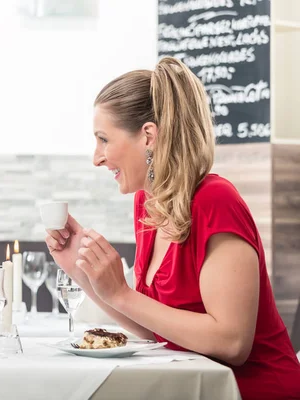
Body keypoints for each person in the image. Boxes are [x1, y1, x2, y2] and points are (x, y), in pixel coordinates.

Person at [45, 56, 300, 399]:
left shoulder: (215, 201)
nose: (97, 157)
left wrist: (122, 292)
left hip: (253, 390)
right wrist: (83, 273)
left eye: (104, 139)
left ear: (148, 136)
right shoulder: (147, 204)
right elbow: (156, 331)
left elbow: (232, 342)